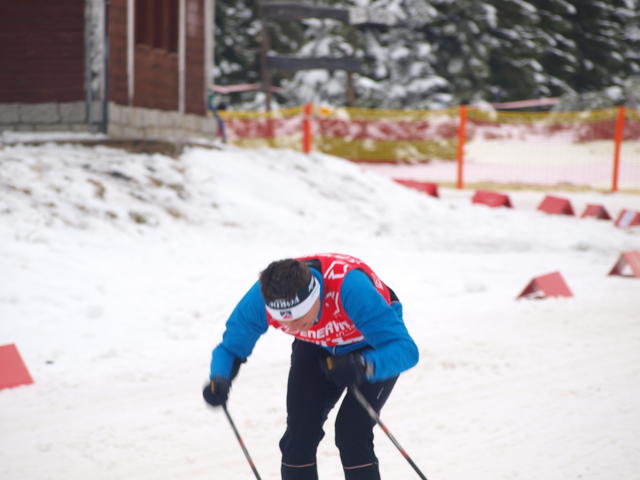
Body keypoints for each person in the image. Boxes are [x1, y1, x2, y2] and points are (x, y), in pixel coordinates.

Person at [203, 253, 419, 480]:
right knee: (299, 437)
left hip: (371, 347)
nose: (292, 327)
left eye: (299, 318)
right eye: (283, 321)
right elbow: (231, 348)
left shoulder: (351, 288)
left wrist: (363, 365)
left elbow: (405, 350)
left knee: (352, 432)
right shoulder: (262, 297)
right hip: (317, 346)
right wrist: (220, 378)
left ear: (317, 296)